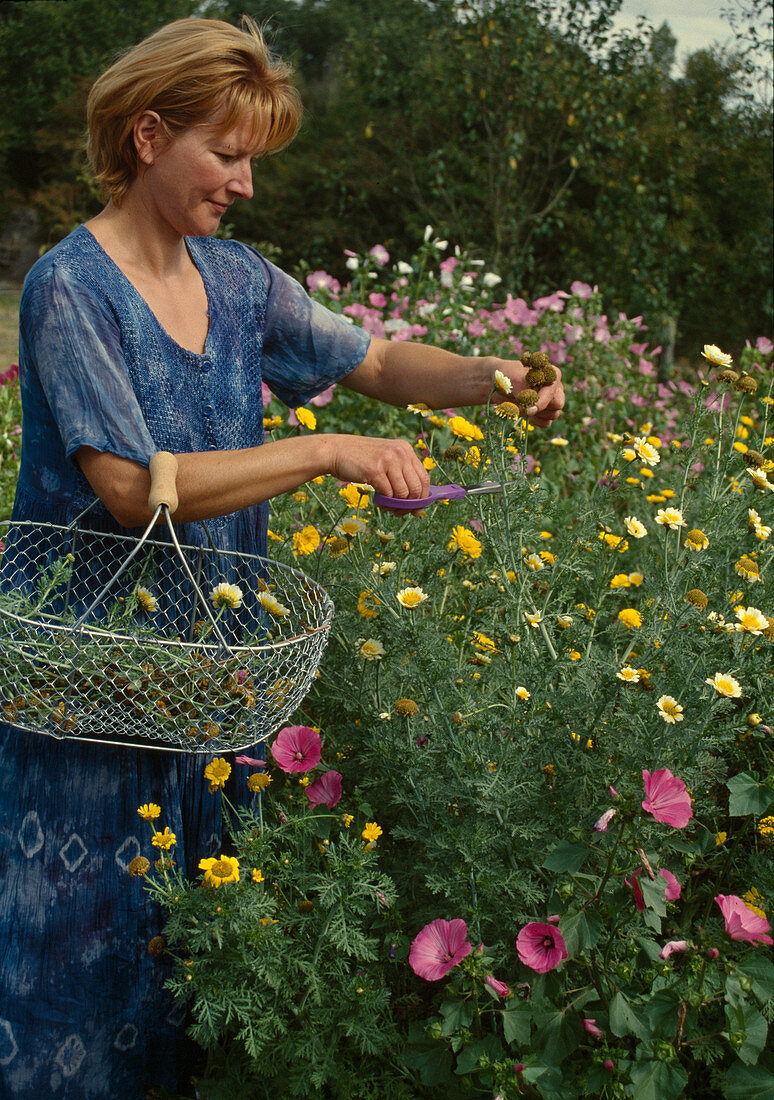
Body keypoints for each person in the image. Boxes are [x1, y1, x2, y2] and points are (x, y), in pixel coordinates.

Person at [0, 15, 564, 1099]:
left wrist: (500, 374)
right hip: (95, 702)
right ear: (150, 134)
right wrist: (320, 450)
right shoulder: (69, 289)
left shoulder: (243, 281)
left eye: (255, 158)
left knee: (200, 984)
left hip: (217, 697)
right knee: (73, 999)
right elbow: (128, 488)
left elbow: (384, 359)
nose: (247, 185)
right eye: (229, 153)